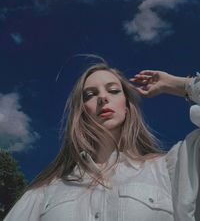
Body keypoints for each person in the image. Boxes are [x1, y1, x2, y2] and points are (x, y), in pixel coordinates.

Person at [3, 63, 200, 221]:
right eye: (90, 95)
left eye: (113, 90)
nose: (102, 97)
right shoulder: (44, 191)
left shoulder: (171, 169)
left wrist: (180, 85)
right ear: (82, 112)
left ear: (127, 107)